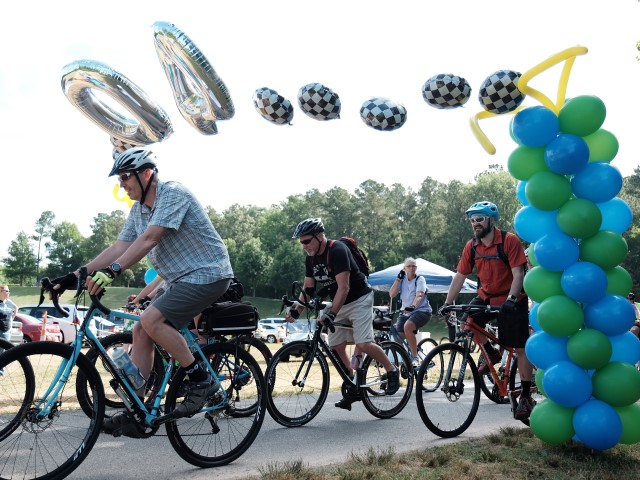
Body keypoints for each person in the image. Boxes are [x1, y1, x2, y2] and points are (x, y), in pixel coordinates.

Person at [51, 146, 234, 436]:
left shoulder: (173, 193)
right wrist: (75, 275)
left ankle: (201, 380)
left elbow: (150, 239)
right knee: (140, 330)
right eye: (119, 179)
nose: (121, 184)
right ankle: (137, 410)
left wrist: (113, 271)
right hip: (178, 279)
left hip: (208, 274)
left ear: (147, 173)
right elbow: (119, 247)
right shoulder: (138, 211)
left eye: (125, 177)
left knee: (151, 320)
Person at [286, 217, 399, 411]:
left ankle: (391, 370)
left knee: (363, 343)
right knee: (335, 345)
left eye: (306, 241)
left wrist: (331, 313)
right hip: (339, 301)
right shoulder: (311, 258)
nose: (304, 246)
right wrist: (296, 310)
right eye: (301, 242)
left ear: (320, 236)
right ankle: (352, 380)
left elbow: (344, 287)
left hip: (359, 299)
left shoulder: (337, 250)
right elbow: (309, 288)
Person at [438, 201, 535, 420]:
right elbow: (460, 276)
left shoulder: (509, 241)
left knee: (520, 347)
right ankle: (491, 352)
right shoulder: (472, 246)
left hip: (512, 297)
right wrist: (447, 302)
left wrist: (511, 299)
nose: (475, 223)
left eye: (479, 219)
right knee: (468, 321)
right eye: (472, 220)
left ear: (491, 220)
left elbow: (518, 274)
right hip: (486, 296)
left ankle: (526, 396)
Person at [388, 257, 433, 367]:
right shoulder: (402, 280)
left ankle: (415, 357)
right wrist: (398, 279)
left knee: (408, 327)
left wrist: (413, 306)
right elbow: (392, 294)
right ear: (404, 268)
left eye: (414, 266)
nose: (412, 268)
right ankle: (406, 358)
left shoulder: (420, 279)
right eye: (409, 266)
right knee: (398, 336)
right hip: (406, 312)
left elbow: (420, 295)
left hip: (422, 311)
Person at [0, 285, 17, 375]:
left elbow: (16, 308)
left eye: (8, 291)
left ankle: (0, 371)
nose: (8, 292)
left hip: (6, 331)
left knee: (3, 352)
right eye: (6, 291)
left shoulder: (8, 302)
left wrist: (11, 321)